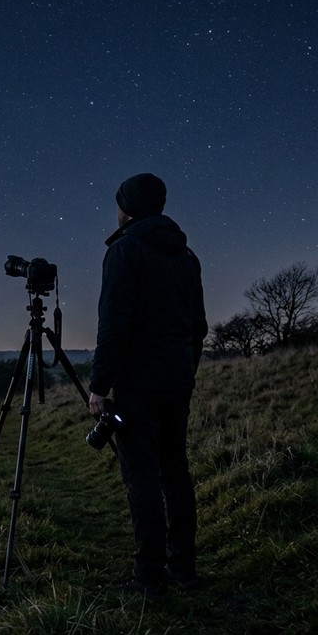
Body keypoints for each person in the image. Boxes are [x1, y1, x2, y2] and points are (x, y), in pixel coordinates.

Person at [87, 172, 208, 597]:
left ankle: (149, 577)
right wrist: (185, 369)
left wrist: (99, 386)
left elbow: (113, 327)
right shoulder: (186, 254)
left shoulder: (125, 252)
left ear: (127, 209)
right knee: (176, 471)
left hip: (139, 384)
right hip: (178, 380)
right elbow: (199, 326)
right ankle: (185, 568)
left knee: (141, 478)